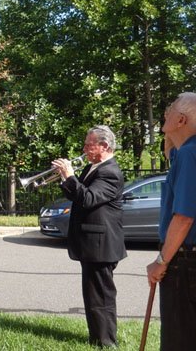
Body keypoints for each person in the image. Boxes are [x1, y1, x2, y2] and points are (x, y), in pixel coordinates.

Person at [146, 92, 196, 350]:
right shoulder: (195, 151)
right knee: (189, 338)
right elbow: (172, 153)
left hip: (185, 263)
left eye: (171, 109)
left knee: (180, 344)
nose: (165, 113)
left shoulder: (190, 156)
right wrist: (173, 133)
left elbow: (184, 217)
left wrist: (161, 261)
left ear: (181, 119)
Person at [52, 125, 126, 348]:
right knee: (93, 296)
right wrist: (65, 180)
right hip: (92, 243)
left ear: (104, 146)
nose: (84, 149)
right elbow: (78, 195)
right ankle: (97, 337)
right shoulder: (94, 167)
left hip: (101, 244)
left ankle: (106, 342)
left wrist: (69, 175)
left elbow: (89, 198)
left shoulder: (110, 172)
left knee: (101, 297)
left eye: (88, 144)